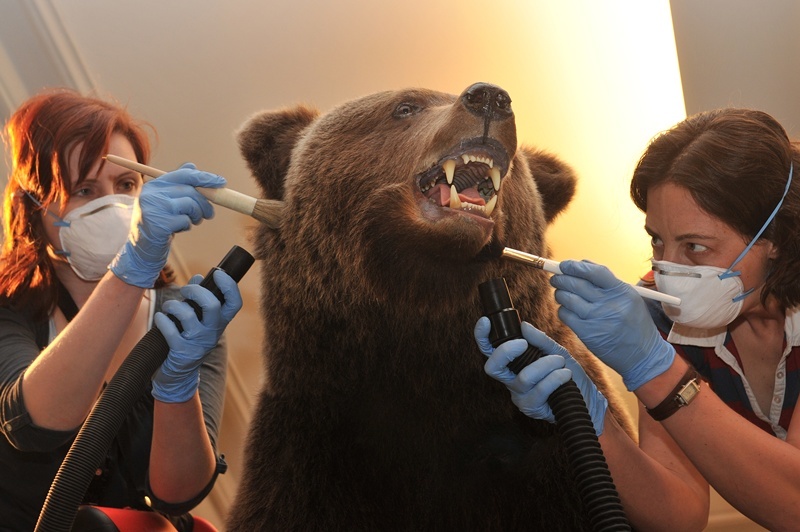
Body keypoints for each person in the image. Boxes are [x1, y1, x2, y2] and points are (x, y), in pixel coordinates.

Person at [475, 107, 800, 530]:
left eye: (695, 246)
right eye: (658, 240)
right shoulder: (666, 318)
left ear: (773, 238)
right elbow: (676, 515)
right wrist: (589, 417)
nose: (668, 269)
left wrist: (656, 372)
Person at [0, 88, 243, 530]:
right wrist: (132, 267)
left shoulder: (186, 317)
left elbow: (177, 494)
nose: (112, 205)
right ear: (34, 208)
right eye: (84, 190)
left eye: (126, 185)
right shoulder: (8, 308)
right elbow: (34, 423)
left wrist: (177, 386)